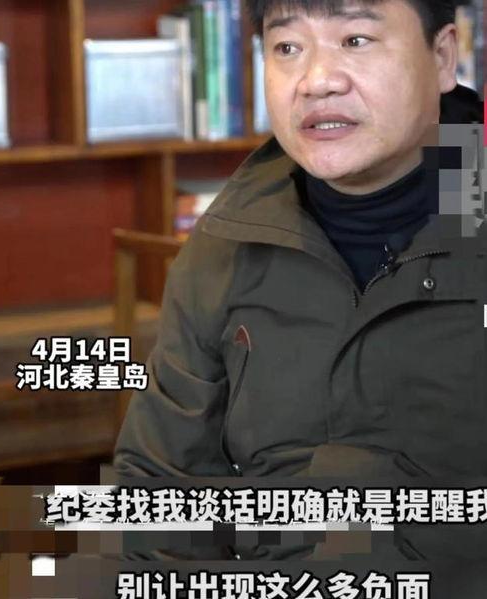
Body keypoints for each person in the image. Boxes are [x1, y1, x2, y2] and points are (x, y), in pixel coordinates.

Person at [114, 0, 485, 559]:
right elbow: (161, 495)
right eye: (287, 47)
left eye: (355, 40)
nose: (316, 81)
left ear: (442, 56)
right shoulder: (226, 242)